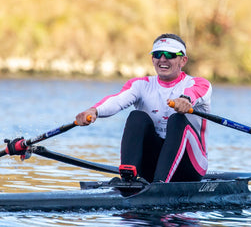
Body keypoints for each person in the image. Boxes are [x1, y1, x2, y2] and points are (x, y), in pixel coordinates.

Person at [75, 33, 212, 183]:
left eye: (170, 55)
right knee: (136, 117)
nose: (163, 59)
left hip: (190, 167)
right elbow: (117, 100)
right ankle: (128, 179)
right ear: (152, 59)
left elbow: (194, 93)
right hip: (151, 164)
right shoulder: (140, 85)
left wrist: (185, 100)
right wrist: (94, 111)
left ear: (183, 60)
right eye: (157, 54)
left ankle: (160, 184)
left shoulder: (199, 84)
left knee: (177, 119)